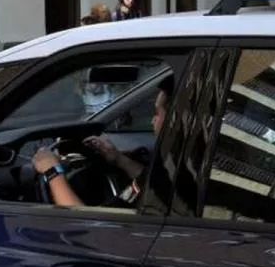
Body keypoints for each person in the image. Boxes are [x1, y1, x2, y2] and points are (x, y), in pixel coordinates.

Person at [32, 75, 173, 208]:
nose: (152, 120)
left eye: (157, 113)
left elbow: (84, 221)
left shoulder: (177, 182)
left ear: (173, 119)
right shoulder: (176, 166)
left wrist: (52, 171)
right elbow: (154, 183)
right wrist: (118, 159)